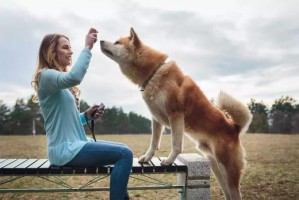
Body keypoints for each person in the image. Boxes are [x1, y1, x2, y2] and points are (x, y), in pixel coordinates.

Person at [31, 28, 133, 200]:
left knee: (124, 149)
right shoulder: (45, 76)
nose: (70, 51)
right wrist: (87, 47)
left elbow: (66, 120)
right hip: (65, 150)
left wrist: (86, 116)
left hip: (73, 146)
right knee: (124, 154)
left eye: (70, 47)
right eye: (65, 47)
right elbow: (75, 77)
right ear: (51, 51)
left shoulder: (56, 82)